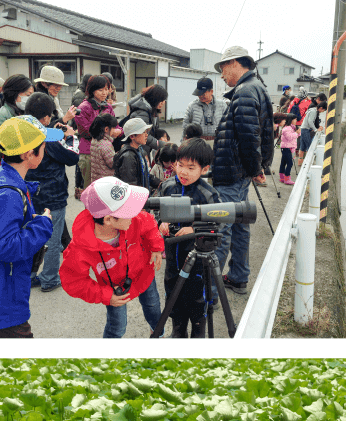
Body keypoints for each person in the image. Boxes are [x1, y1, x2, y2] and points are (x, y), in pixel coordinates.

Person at [0, 116, 62, 337]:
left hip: (1, 283)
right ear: (27, 154)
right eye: (42, 145)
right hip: (6, 289)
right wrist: (42, 225)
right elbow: (5, 248)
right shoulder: (10, 195)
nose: (45, 148)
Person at [60, 177, 164, 338]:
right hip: (114, 290)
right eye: (128, 211)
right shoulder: (80, 247)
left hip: (144, 274)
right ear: (108, 219)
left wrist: (156, 247)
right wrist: (105, 295)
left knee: (153, 309)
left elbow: (149, 223)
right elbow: (73, 281)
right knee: (117, 326)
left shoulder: (131, 220)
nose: (135, 213)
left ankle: (157, 334)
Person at [211, 45, 273, 295]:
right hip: (238, 172)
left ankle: (211, 289)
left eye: (223, 68)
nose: (222, 75)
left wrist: (255, 167)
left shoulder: (246, 91)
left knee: (221, 227)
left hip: (232, 172)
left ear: (236, 63)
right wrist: (255, 168)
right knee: (238, 224)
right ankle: (238, 276)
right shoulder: (253, 88)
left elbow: (250, 136)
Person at [155, 139, 222, 337]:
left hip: (198, 262)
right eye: (180, 165)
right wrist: (161, 221)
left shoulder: (208, 194)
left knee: (196, 298)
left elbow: (218, 223)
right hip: (173, 259)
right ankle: (178, 329)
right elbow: (157, 211)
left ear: (204, 169)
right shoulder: (167, 186)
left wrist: (194, 229)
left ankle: (198, 331)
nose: (183, 172)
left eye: (191, 167)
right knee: (173, 294)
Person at [24, 92, 78, 293]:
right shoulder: (48, 139)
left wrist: (59, 130)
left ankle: (29, 276)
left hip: (29, 194)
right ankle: (49, 278)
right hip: (52, 195)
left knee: (31, 236)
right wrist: (71, 137)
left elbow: (51, 133)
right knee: (52, 239)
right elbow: (72, 158)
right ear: (46, 117)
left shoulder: (23, 131)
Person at [75, 75, 118, 198]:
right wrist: (108, 132)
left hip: (106, 150)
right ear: (92, 90)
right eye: (101, 90)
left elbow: (116, 125)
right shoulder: (83, 107)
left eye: (106, 89)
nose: (105, 93)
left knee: (104, 191)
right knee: (91, 191)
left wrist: (117, 131)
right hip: (88, 152)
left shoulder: (107, 106)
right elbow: (85, 131)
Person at [0, 74, 34, 170]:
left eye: (32, 95)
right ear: (14, 94)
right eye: (28, 95)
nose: (30, 99)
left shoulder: (25, 114)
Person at [113, 118, 158, 190]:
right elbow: (131, 186)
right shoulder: (128, 157)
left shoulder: (139, 150)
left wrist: (159, 183)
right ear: (132, 136)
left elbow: (145, 174)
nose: (146, 135)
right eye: (143, 132)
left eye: (147, 132)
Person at [33, 65, 77, 133]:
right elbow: (41, 129)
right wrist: (65, 118)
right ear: (44, 83)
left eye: (60, 86)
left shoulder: (52, 98)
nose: (58, 89)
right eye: (56, 86)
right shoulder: (39, 101)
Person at [184, 77, 228, 142]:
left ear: (211, 92)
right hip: (197, 142)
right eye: (199, 94)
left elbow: (228, 125)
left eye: (203, 94)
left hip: (218, 141)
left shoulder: (222, 105)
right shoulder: (192, 106)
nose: (201, 96)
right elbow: (185, 125)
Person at [126, 84, 167, 152]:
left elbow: (152, 130)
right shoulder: (142, 112)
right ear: (154, 99)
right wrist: (160, 144)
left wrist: (162, 135)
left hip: (143, 148)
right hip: (138, 148)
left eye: (164, 100)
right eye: (161, 100)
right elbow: (143, 135)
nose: (163, 103)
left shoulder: (152, 110)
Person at [89, 113, 118, 184]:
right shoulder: (106, 144)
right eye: (113, 128)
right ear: (106, 129)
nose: (115, 130)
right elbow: (113, 163)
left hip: (97, 179)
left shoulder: (95, 140)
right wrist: (119, 154)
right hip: (106, 181)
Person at [297, 98, 325, 167]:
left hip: (304, 129)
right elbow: (310, 121)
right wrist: (316, 129)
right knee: (309, 147)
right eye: (323, 110)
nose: (323, 112)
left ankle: (300, 162)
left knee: (302, 147)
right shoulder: (313, 111)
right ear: (321, 108)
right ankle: (308, 164)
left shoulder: (313, 110)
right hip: (305, 129)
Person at [279, 114, 298, 185]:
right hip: (286, 148)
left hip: (287, 148)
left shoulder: (291, 127)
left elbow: (295, 136)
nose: (296, 120)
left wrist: (297, 132)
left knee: (283, 162)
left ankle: (282, 177)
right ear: (291, 120)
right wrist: (296, 133)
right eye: (295, 119)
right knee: (289, 163)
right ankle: (287, 179)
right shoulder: (287, 128)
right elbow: (290, 137)